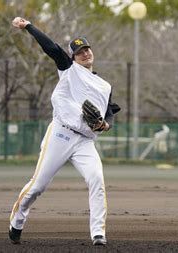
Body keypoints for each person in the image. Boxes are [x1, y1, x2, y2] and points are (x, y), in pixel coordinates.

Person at [9, 17, 120, 246]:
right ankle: (17, 221)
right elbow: (51, 48)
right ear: (73, 57)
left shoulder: (105, 86)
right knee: (38, 186)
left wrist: (105, 125)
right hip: (61, 134)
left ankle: (98, 233)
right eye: (79, 51)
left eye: (87, 49)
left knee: (97, 179)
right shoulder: (69, 70)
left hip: (85, 142)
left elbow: (108, 113)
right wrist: (29, 26)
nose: (85, 53)